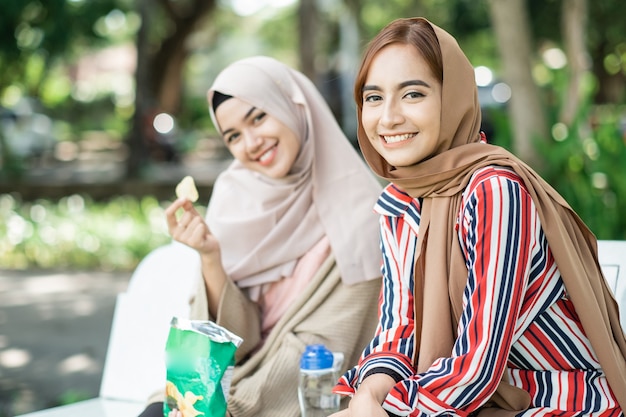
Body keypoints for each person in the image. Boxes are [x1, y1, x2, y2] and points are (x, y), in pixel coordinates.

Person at [331, 17, 626, 417]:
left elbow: (478, 364)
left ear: (453, 97)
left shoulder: (494, 192)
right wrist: (369, 394)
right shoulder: (400, 201)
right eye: (374, 97)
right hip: (459, 402)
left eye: (413, 94)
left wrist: (390, 409)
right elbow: (399, 331)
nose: (388, 118)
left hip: (558, 401)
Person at [137, 56, 383, 417]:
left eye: (259, 117)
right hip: (230, 382)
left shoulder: (361, 209)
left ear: (293, 107)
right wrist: (210, 258)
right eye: (233, 136)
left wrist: (234, 407)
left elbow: (331, 343)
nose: (251, 143)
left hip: (297, 395)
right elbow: (231, 340)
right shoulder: (234, 194)